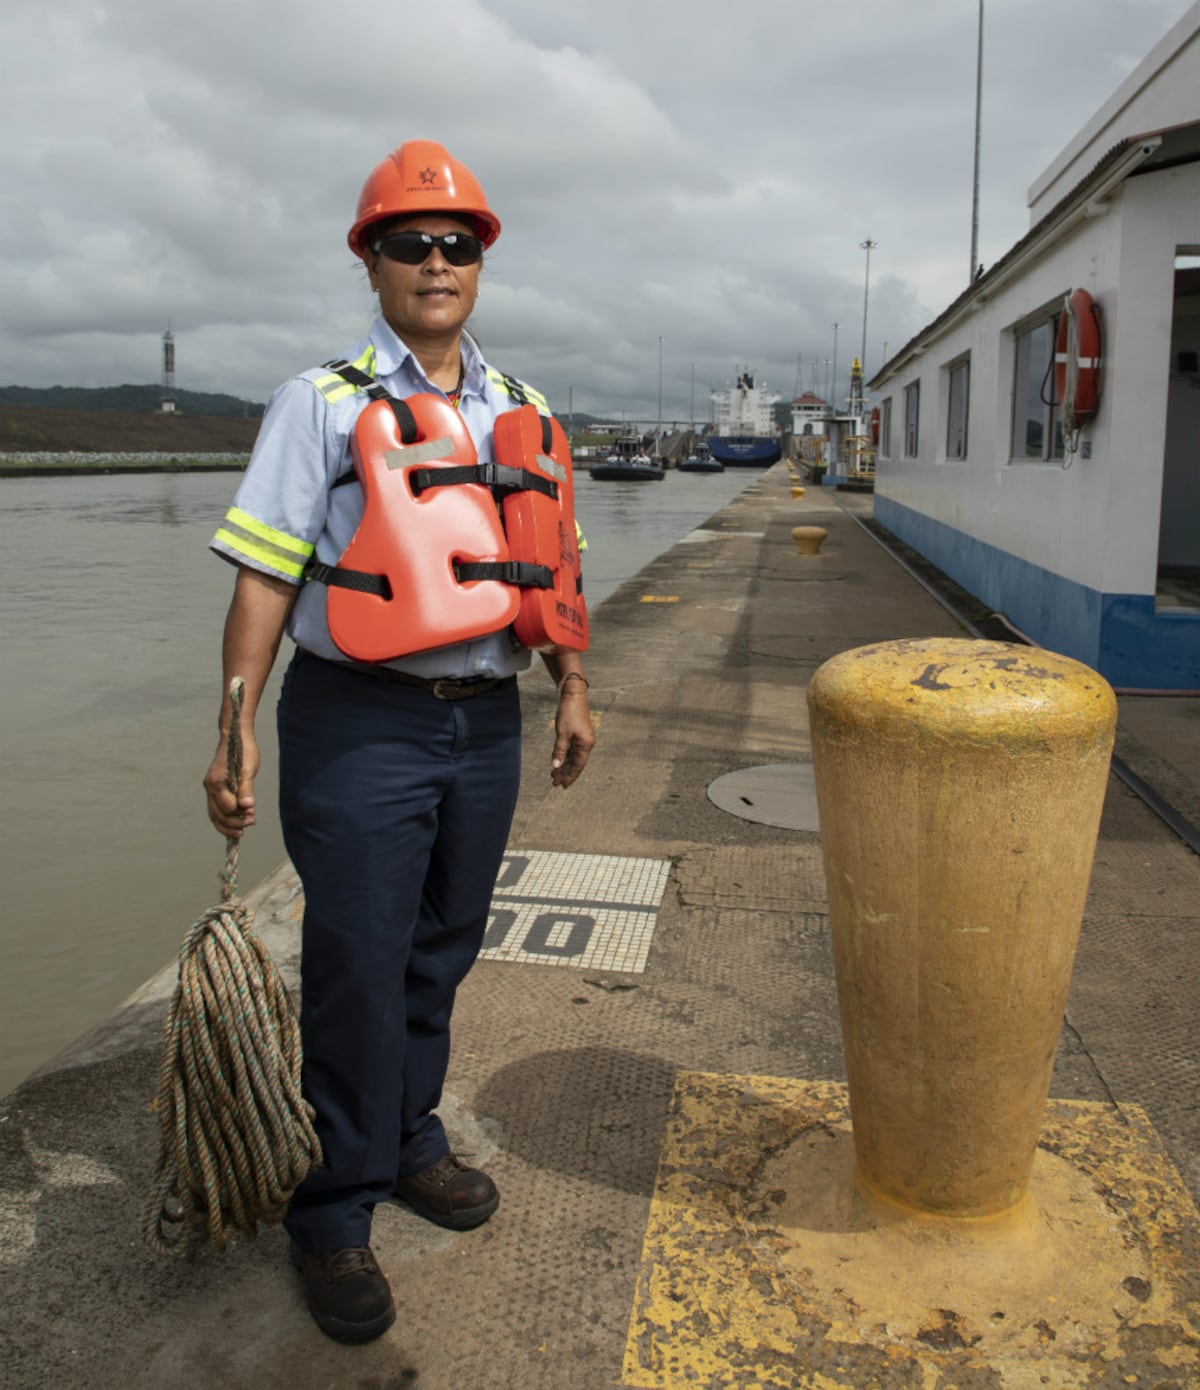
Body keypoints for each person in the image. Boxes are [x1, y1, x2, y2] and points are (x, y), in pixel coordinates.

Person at [203, 140, 594, 1344]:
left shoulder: (524, 408)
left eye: (456, 244)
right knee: (359, 963)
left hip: (486, 720)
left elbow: (556, 566)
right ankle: (332, 1208)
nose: (435, 261)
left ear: (480, 263)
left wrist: (575, 687)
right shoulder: (319, 402)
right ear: (370, 261)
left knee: (442, 948)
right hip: (358, 719)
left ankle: (409, 1138)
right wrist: (234, 725)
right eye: (409, 243)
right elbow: (265, 575)